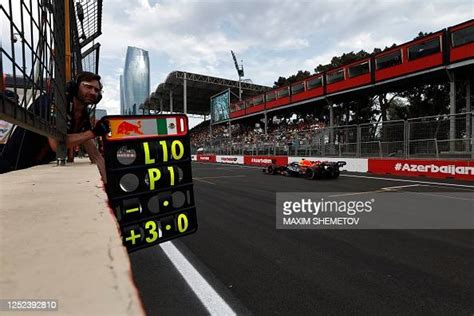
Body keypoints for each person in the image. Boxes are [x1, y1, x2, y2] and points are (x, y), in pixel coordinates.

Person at [0, 72, 110, 183]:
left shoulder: (83, 115)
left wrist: (110, 186)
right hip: (11, 166)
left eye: (96, 90)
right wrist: (94, 132)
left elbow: (95, 155)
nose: (93, 92)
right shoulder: (53, 102)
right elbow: (57, 145)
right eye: (88, 86)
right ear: (75, 86)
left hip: (37, 167)